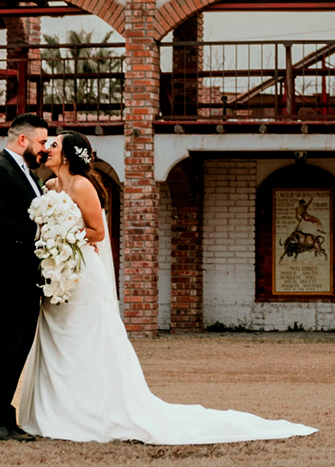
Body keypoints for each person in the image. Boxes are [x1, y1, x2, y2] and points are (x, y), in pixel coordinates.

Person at [17, 131, 317, 444]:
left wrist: (63, 238)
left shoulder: (82, 186)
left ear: (67, 156)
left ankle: (91, 411)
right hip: (57, 270)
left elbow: (97, 232)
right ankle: (59, 410)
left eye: (53, 144)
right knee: (58, 340)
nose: (47, 148)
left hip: (81, 274)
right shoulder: (50, 186)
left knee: (84, 339)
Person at [0, 113, 51, 442]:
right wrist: (37, 233)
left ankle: (6, 417)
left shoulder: (28, 174)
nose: (44, 148)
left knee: (17, 351)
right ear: (22, 140)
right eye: (41, 141)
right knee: (2, 350)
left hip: (22, 280)